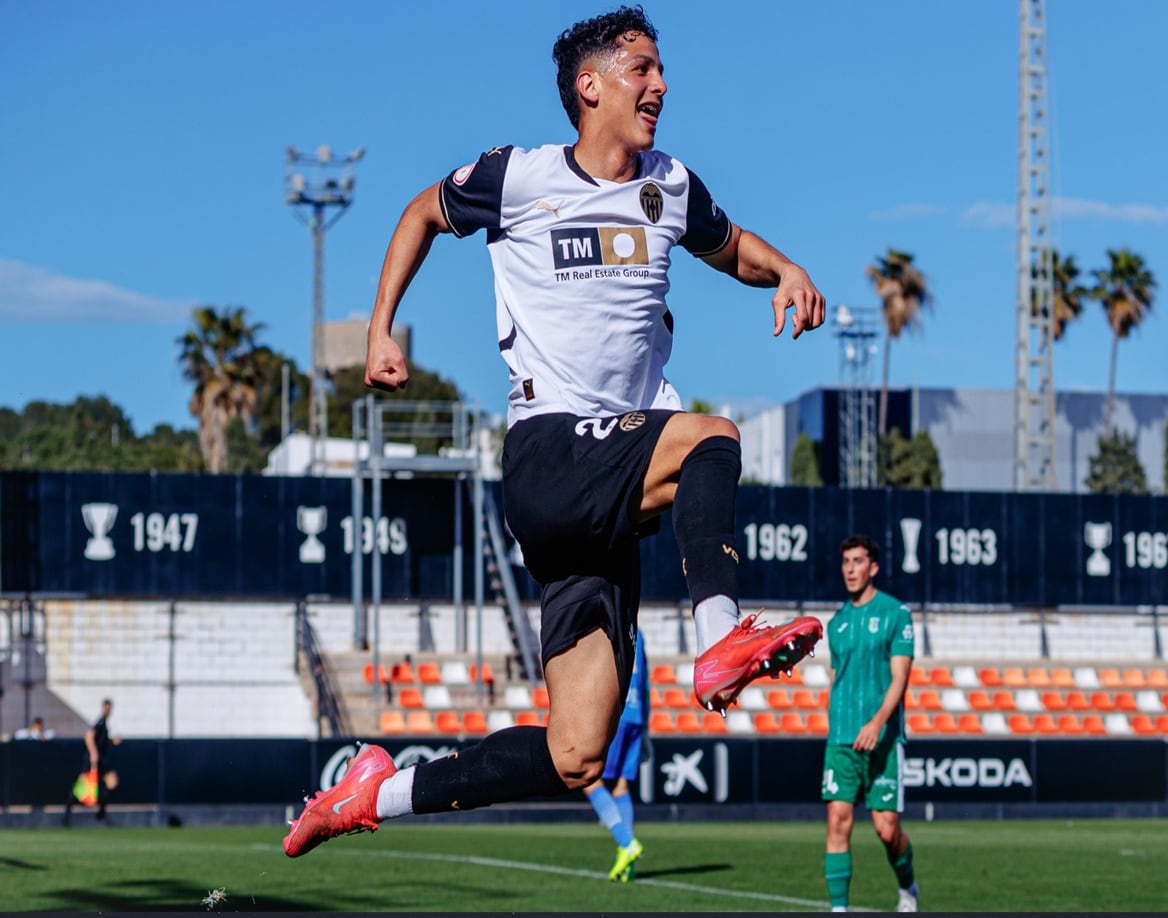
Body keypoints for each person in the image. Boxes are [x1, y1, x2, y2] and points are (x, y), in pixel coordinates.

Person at [284, 4, 825, 858]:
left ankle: (366, 798)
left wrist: (786, 270)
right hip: (552, 452)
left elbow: (732, 248)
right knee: (712, 434)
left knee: (577, 752)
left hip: (602, 501)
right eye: (642, 68)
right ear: (591, 85)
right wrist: (381, 325)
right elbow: (421, 212)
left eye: (660, 69)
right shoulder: (521, 175)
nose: (661, 84)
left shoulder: (669, 186)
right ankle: (721, 634)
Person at [821, 536, 919, 912]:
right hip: (841, 739)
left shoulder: (897, 614)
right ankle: (839, 909)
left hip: (883, 738)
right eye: (845, 561)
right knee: (838, 821)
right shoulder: (837, 623)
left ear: (873, 567)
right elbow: (836, 678)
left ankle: (908, 886)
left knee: (886, 829)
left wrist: (878, 722)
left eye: (857, 561)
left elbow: (900, 678)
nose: (849, 568)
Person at [583, 626, 648, 882]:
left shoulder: (604, 623)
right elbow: (646, 680)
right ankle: (628, 862)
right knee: (620, 785)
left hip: (615, 713)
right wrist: (646, 726)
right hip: (636, 715)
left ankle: (626, 842)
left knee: (587, 779)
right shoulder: (638, 632)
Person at [65, 698, 120, 824]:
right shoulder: (100, 723)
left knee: (111, 783)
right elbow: (89, 736)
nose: (108, 710)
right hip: (93, 761)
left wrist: (111, 742)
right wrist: (93, 753)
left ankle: (101, 813)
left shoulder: (105, 724)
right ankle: (66, 816)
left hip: (102, 761)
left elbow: (102, 742)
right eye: (106, 708)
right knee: (80, 788)